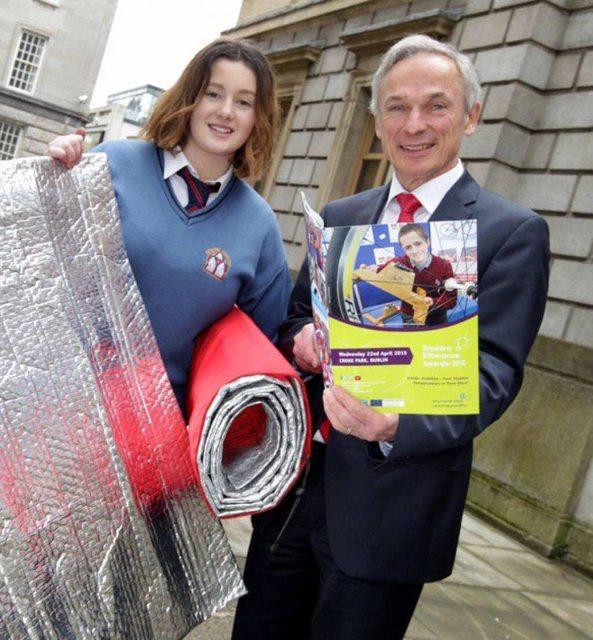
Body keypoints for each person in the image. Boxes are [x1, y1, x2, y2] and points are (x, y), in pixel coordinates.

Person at [232, 34, 550, 640]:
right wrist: (302, 342)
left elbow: (494, 373)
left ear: (471, 116)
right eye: (396, 107)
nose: (414, 124)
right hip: (297, 493)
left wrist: (396, 427)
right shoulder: (341, 215)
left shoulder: (510, 232)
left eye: (436, 105)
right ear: (377, 122)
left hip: (392, 509)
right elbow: (294, 318)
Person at [47, 38, 292, 418]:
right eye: (213, 94)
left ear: (257, 118)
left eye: (244, 102)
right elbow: (37, 257)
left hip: (160, 428)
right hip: (58, 402)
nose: (226, 111)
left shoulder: (259, 225)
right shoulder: (111, 164)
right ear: (190, 97)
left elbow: (264, 351)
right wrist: (50, 176)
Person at [377, 222, 457, 325]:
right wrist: (369, 269)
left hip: (436, 316)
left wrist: (432, 302)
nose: (414, 251)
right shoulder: (399, 262)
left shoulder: (444, 265)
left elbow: (451, 299)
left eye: (418, 244)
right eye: (408, 247)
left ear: (427, 242)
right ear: (403, 249)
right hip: (410, 315)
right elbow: (379, 270)